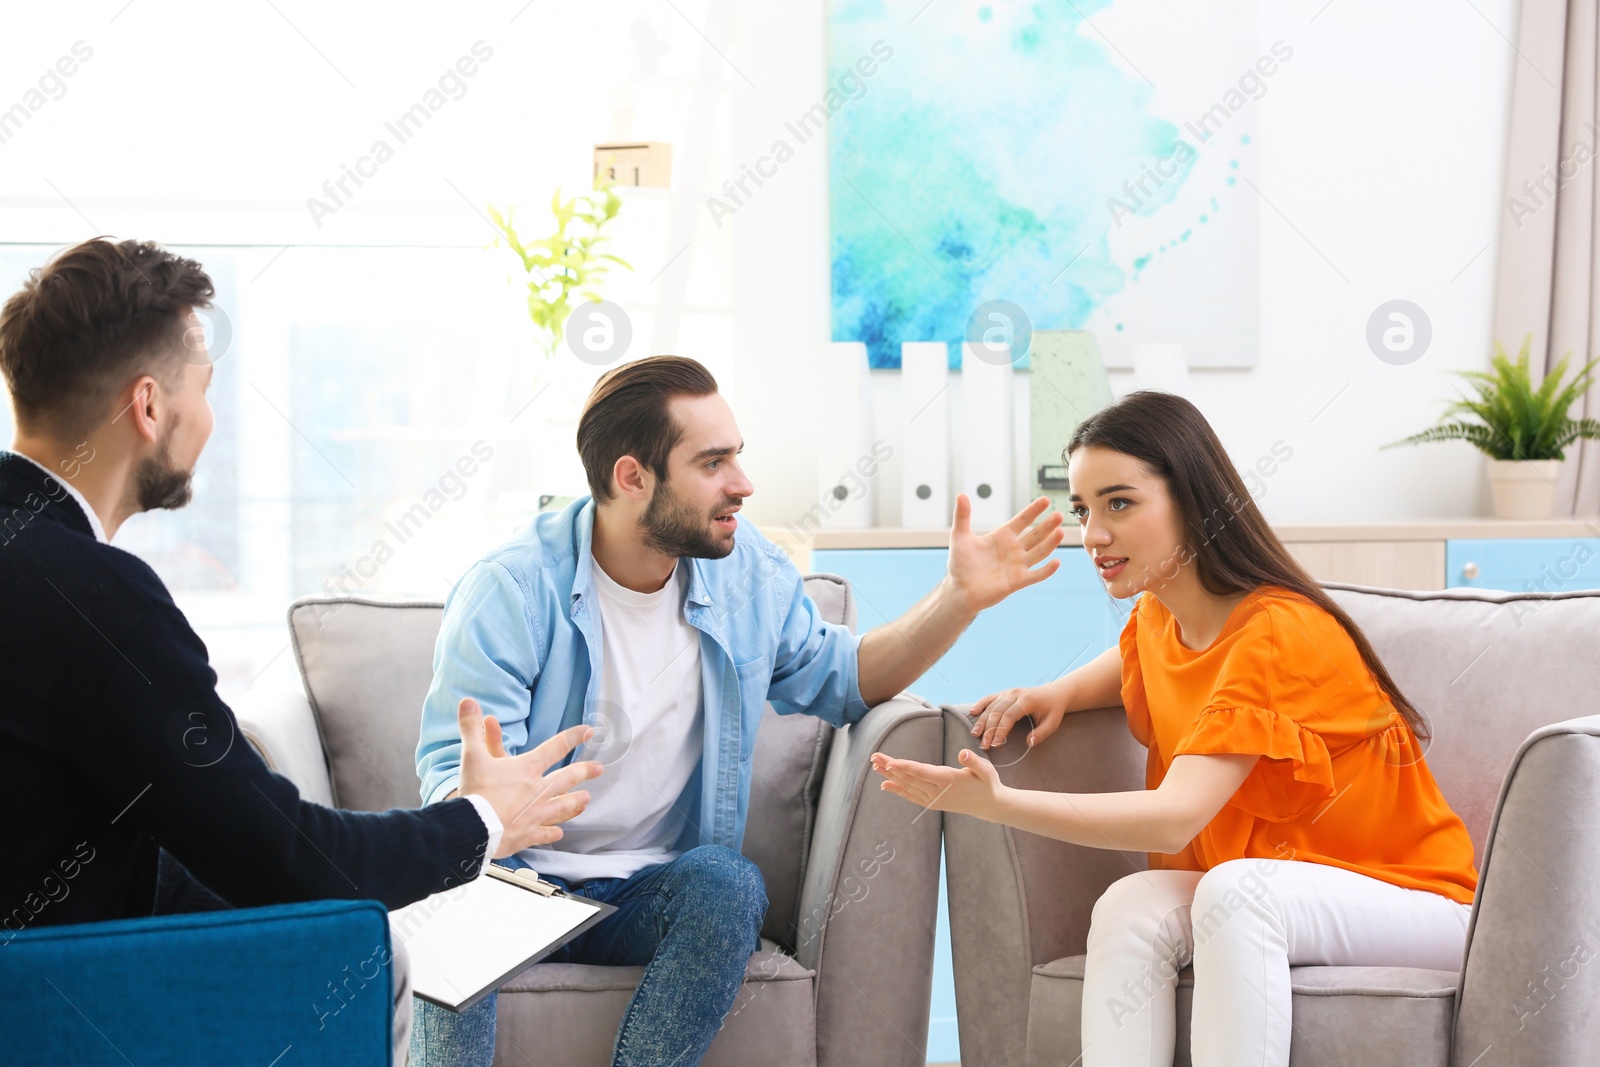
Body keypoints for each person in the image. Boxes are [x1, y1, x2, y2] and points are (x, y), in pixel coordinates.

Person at [0, 237, 602, 1066]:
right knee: (358, 952)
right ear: (148, 407)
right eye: (204, 390)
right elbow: (289, 862)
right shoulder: (99, 600)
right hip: (43, 1000)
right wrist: (485, 819)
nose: (210, 418)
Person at [409, 354, 1066, 1066]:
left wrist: (957, 600)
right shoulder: (511, 589)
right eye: (714, 462)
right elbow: (454, 782)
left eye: (738, 457)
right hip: (518, 883)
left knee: (728, 883)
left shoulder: (745, 571)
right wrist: (482, 808)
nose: (743, 485)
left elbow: (846, 678)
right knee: (454, 899)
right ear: (633, 477)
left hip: (648, 892)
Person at [872, 390, 1479, 1067]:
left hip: (1414, 899)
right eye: (1083, 509)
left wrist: (998, 803)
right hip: (1291, 883)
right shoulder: (1160, 616)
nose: (1092, 534)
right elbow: (1147, 657)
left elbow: (1173, 819)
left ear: (1192, 500)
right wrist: (1058, 693)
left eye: (1119, 503)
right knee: (1131, 903)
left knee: (1235, 894)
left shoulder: (1277, 630)